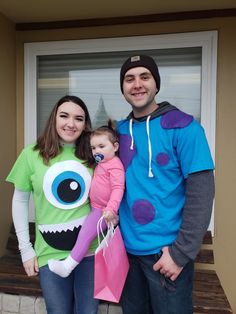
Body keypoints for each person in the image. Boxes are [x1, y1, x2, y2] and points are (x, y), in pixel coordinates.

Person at [117, 55, 215, 314]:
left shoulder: (185, 127)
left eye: (144, 77)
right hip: (126, 254)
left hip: (166, 256)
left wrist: (180, 254)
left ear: (156, 84)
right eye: (129, 79)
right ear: (123, 88)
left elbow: (202, 194)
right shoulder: (118, 133)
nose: (137, 84)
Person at [6, 95, 100, 314]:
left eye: (78, 118)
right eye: (64, 116)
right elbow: (20, 201)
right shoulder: (31, 154)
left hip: (90, 253)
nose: (70, 123)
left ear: (85, 125)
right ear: (54, 118)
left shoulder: (94, 156)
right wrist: (25, 249)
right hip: (49, 254)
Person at [48, 120, 125, 278]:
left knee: (85, 234)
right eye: (93, 147)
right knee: (84, 233)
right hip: (95, 206)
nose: (96, 151)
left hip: (102, 210)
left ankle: (67, 266)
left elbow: (118, 189)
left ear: (115, 147)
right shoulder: (102, 161)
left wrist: (111, 209)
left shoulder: (115, 165)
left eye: (101, 147)